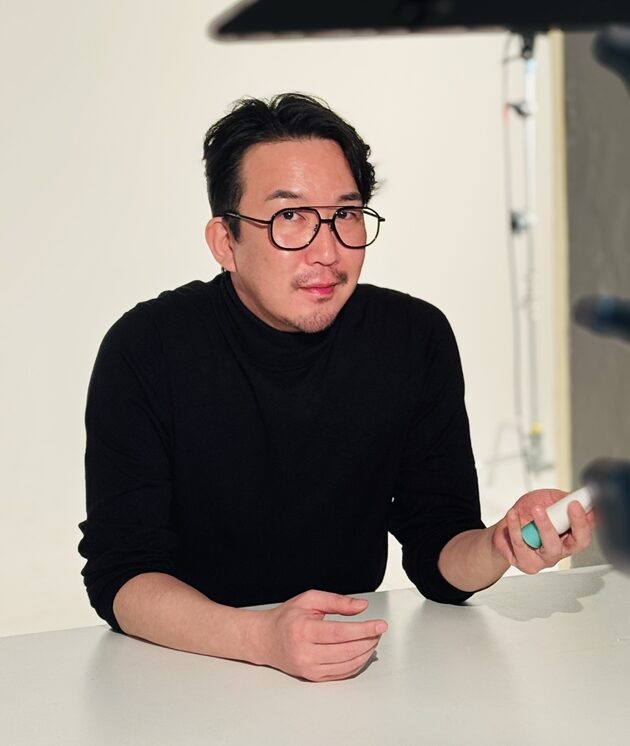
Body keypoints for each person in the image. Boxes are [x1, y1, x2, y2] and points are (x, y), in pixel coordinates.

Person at [79, 93, 594, 682]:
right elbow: (122, 574)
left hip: (352, 666)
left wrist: (500, 544)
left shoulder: (412, 337)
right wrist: (260, 638)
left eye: (346, 215)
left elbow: (438, 548)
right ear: (225, 241)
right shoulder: (147, 347)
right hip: (184, 667)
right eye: (290, 217)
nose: (327, 252)